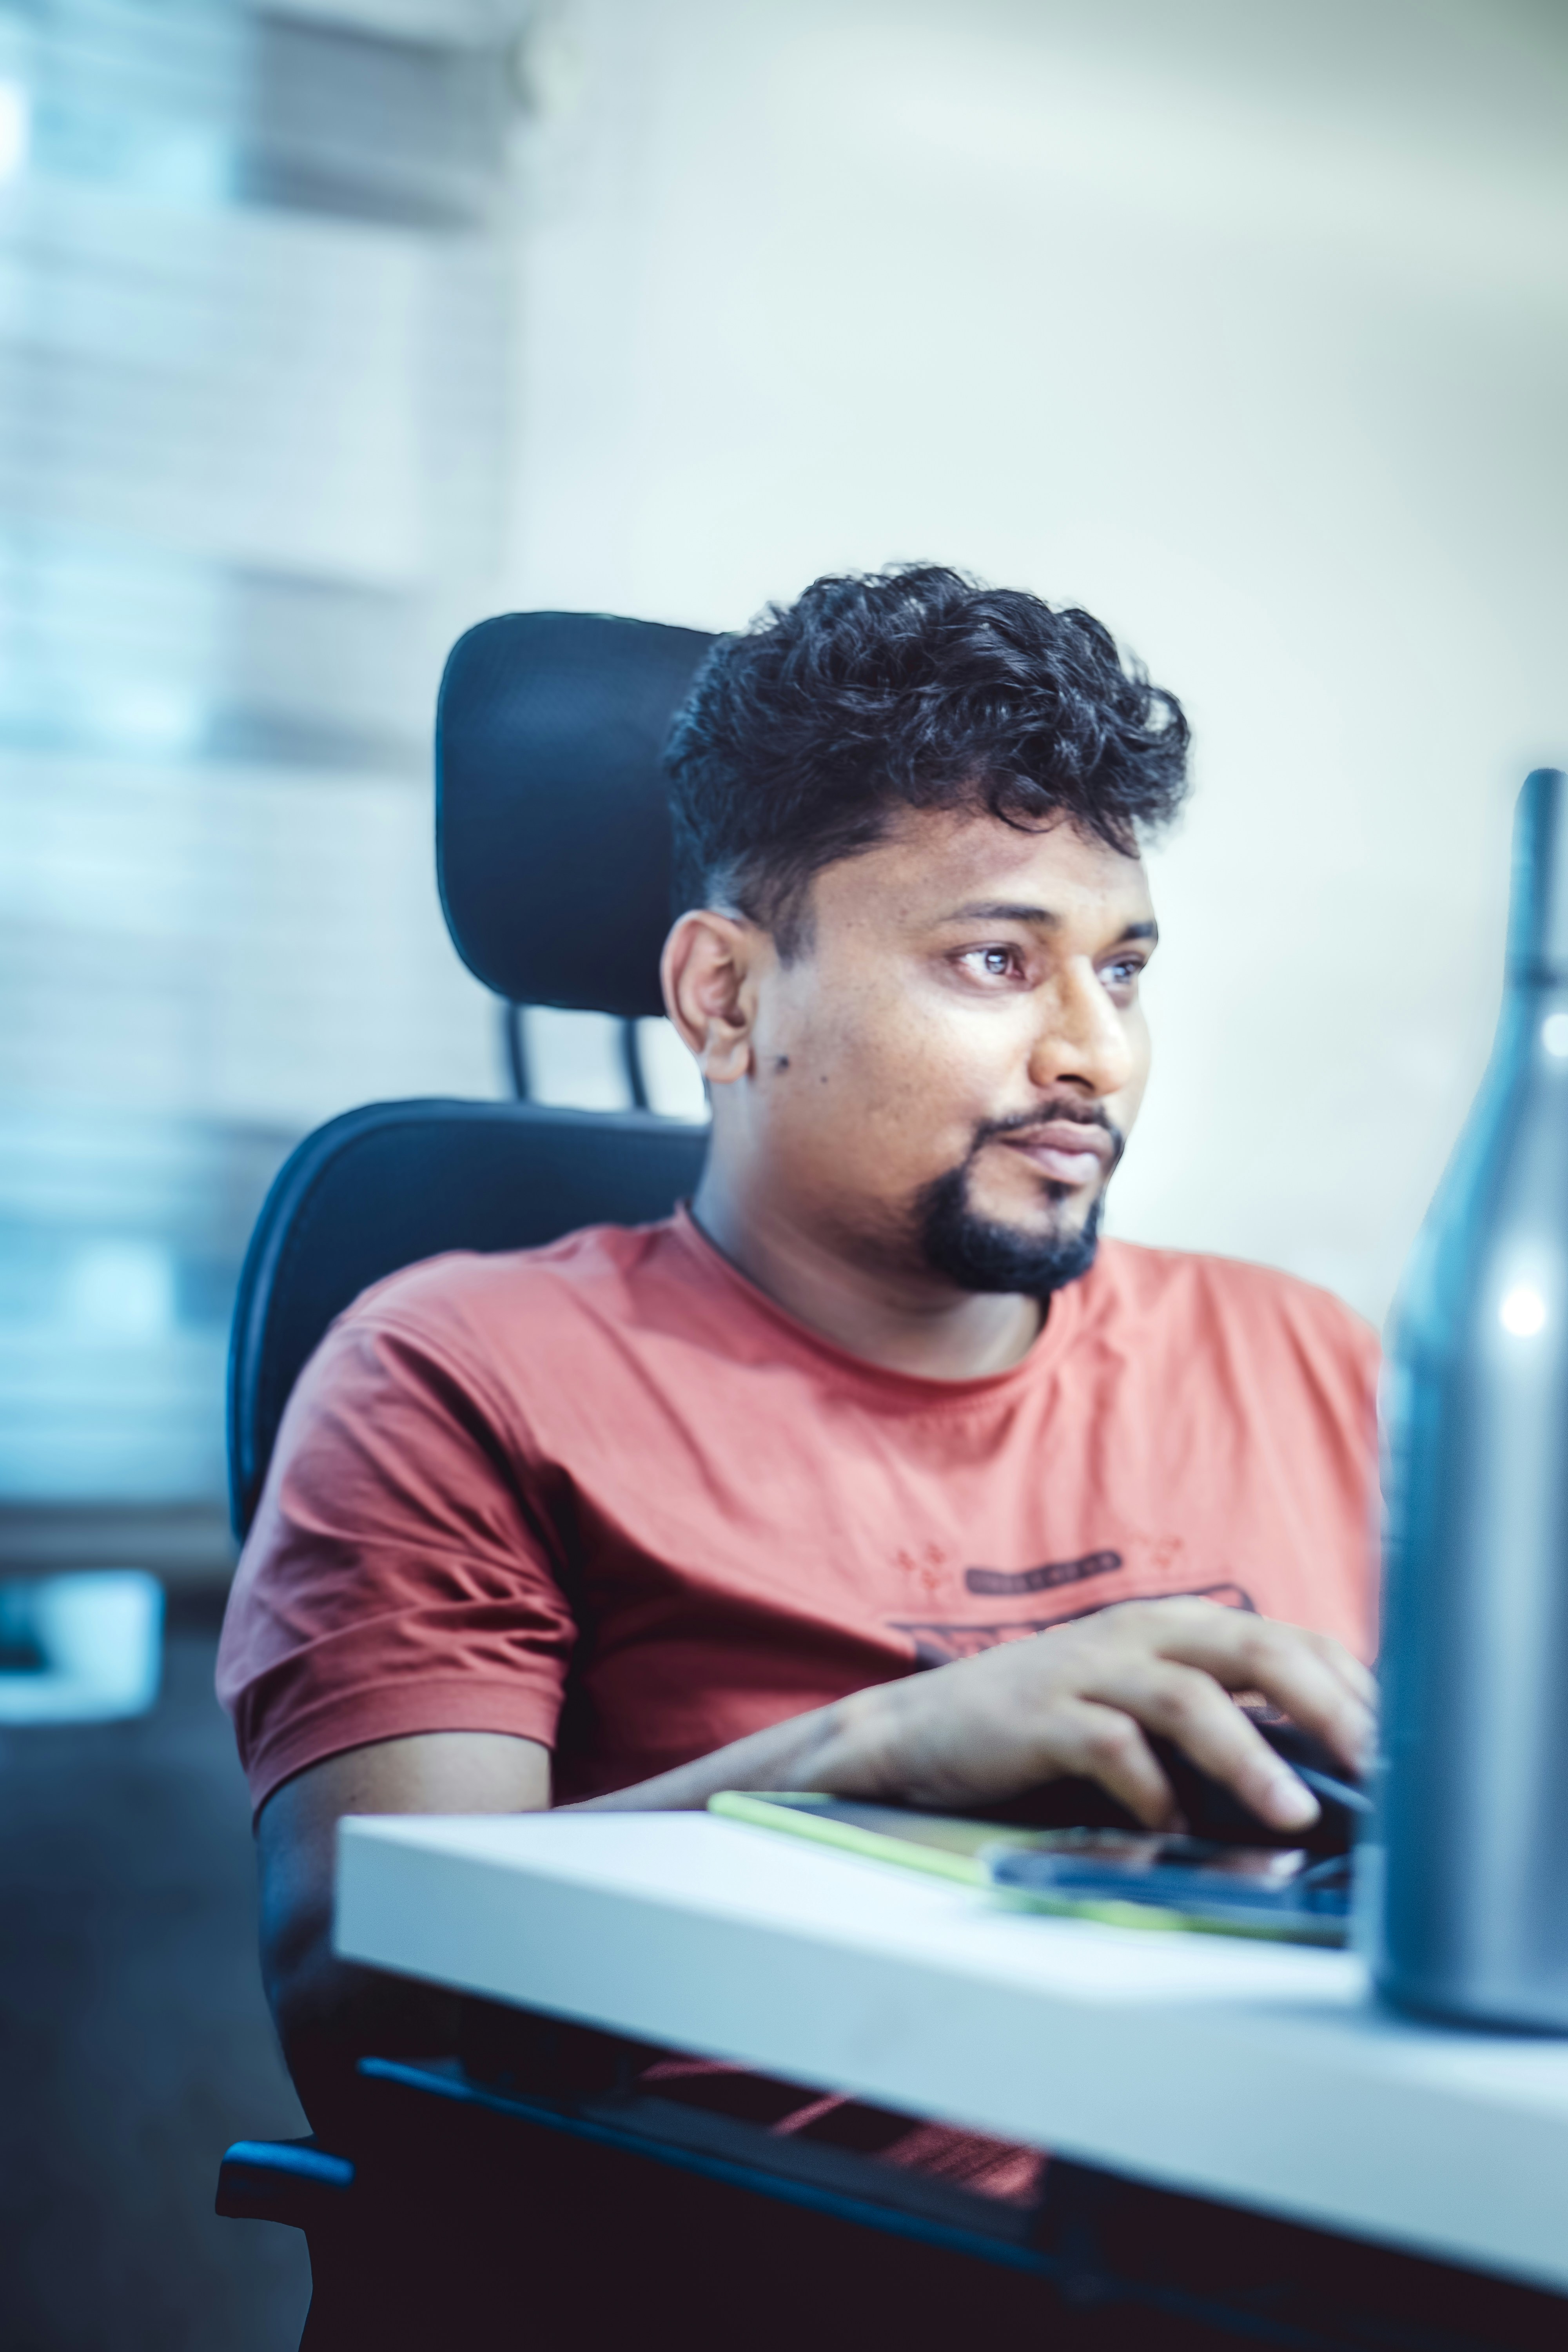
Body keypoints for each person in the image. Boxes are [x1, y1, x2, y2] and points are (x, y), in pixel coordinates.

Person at [218, 566, 1377, 2169]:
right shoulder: (456, 1371)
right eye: (994, 959)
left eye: (1119, 969)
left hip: (1324, 2220)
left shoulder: (1307, 1358)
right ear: (726, 996)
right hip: (788, 2274)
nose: (1095, 1054)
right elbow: (360, 2000)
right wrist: (873, 1757)